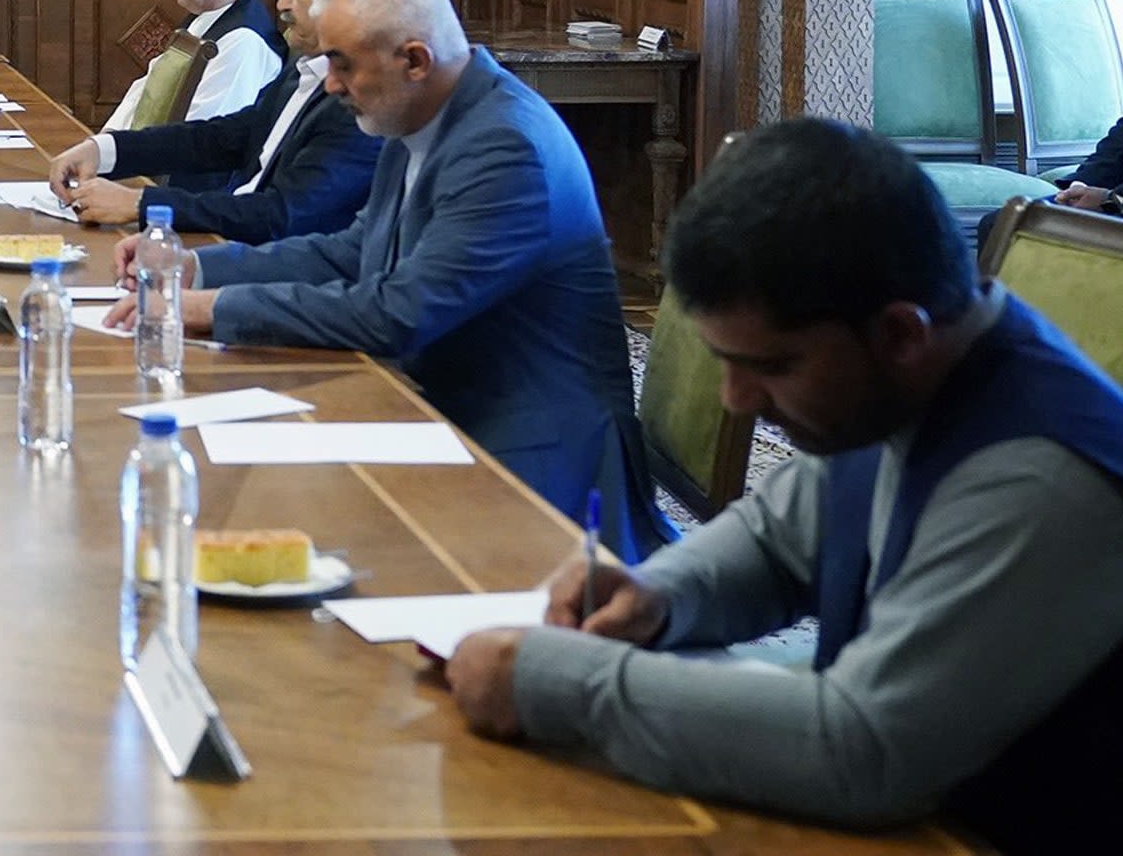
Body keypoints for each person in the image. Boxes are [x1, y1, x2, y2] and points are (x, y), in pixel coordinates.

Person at [444, 119, 1123, 849]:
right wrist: (658, 594)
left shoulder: (1040, 472)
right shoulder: (908, 375)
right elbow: (775, 540)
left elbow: (862, 751)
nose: (735, 399)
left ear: (899, 334)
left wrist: (557, 682)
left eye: (770, 367)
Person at [107, 0, 666, 558]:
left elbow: (399, 312)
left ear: (415, 60)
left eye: (343, 65)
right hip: (435, 407)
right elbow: (353, 251)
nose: (333, 85)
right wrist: (196, 266)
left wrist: (211, 309)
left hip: (531, 462)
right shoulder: (419, 110)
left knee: (294, 535)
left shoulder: (504, 147)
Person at [49, 0, 392, 244]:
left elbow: (280, 216)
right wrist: (103, 149)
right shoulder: (305, 70)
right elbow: (222, 137)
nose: (283, 2)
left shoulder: (357, 102)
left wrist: (139, 204)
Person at [96, 0, 287, 168]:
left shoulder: (244, 42)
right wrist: (101, 148)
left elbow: (202, 141)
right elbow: (144, 92)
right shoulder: (203, 19)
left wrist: (113, 159)